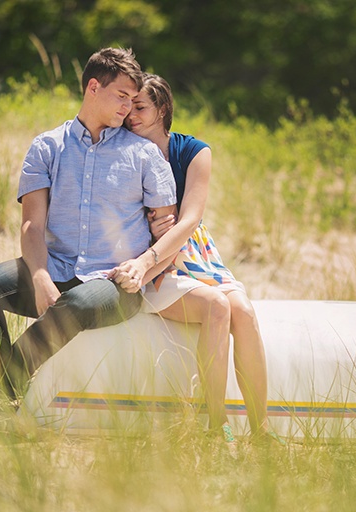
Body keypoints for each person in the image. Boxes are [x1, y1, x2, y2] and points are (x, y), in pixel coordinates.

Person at [0, 48, 176, 398]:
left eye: (133, 99)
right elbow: (32, 224)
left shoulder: (144, 154)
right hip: (57, 267)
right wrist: (41, 276)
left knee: (75, 303)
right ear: (93, 87)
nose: (127, 107)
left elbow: (168, 230)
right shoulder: (47, 147)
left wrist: (142, 267)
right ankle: (0, 392)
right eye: (121, 96)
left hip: (115, 285)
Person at [111, 73, 284, 446]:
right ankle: (215, 425)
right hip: (149, 255)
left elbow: (189, 220)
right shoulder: (120, 148)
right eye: (128, 109)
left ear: (163, 109)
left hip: (194, 249)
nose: (131, 116)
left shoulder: (193, 151)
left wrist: (167, 231)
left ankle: (261, 429)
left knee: (245, 312)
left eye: (140, 107)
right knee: (218, 307)